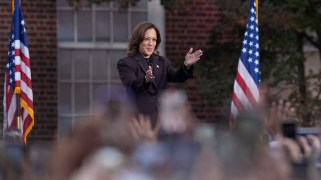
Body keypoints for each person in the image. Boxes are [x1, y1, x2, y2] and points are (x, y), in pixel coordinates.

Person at [117, 21, 203, 127]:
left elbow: (177, 77)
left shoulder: (162, 62)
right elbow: (130, 84)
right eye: (147, 39)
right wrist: (145, 79)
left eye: (154, 40)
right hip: (140, 121)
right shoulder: (126, 63)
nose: (150, 43)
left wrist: (186, 65)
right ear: (138, 40)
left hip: (163, 121)